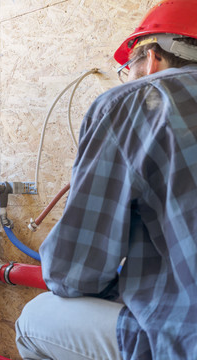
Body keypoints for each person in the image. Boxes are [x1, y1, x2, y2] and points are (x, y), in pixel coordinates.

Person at [15, 1, 197, 359]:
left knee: (33, 319)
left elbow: (76, 272)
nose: (127, 77)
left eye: (128, 67)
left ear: (153, 57)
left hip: (186, 339)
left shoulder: (137, 100)